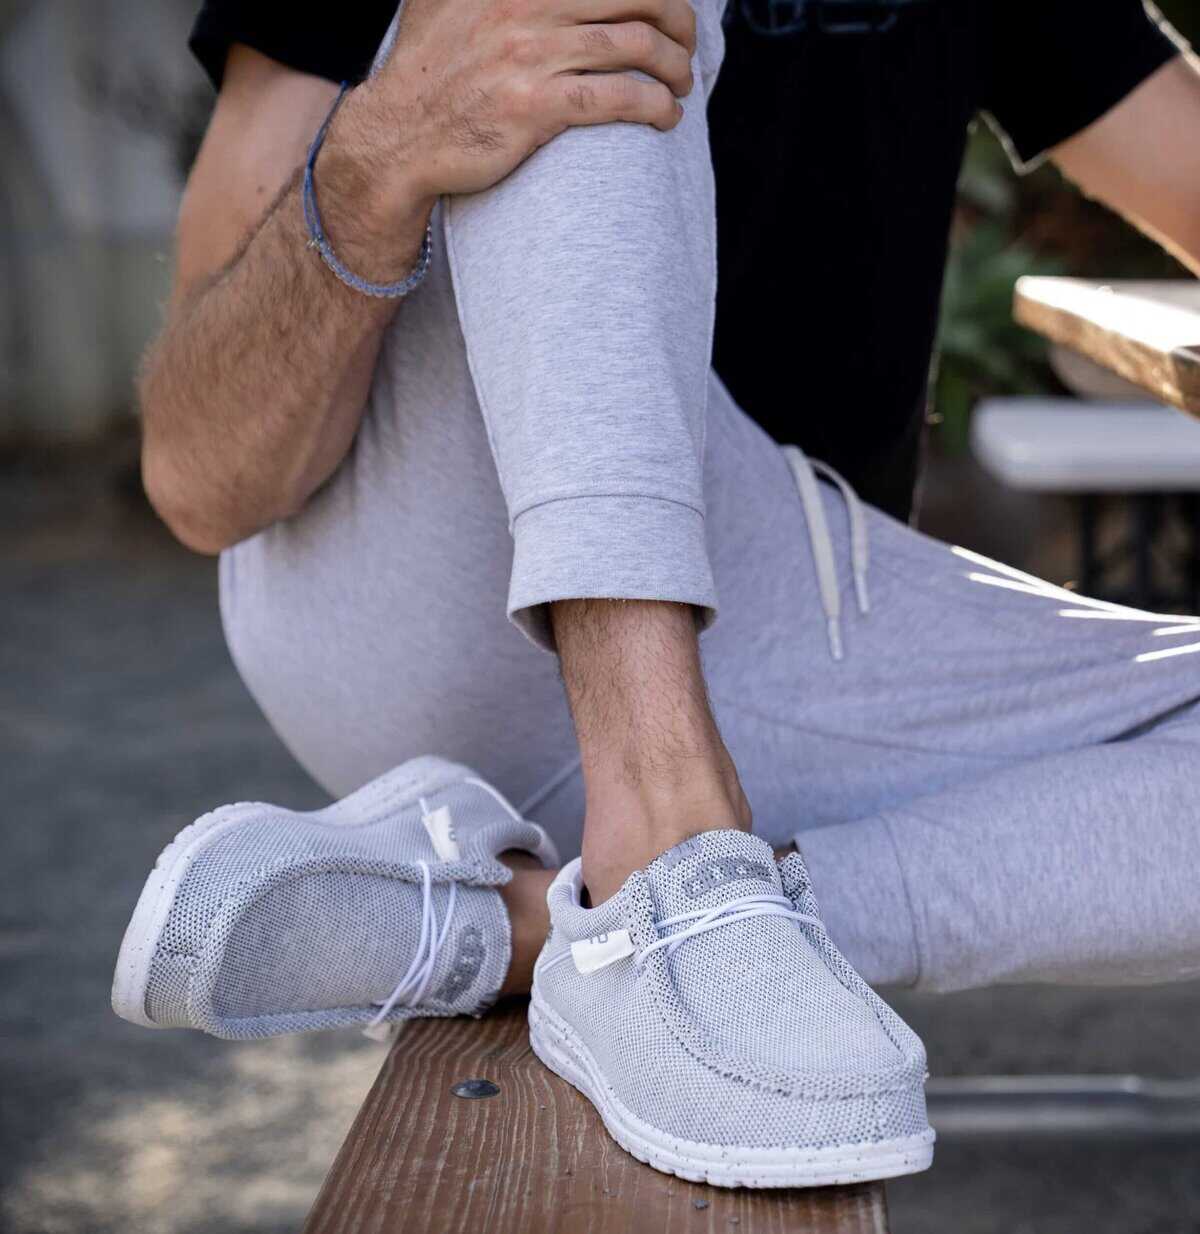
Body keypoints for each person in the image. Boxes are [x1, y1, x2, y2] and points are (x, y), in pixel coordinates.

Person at [112, 0, 1200, 1188]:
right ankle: (661, 839)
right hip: (430, 558)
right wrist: (381, 152)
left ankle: (568, 926)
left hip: (805, 606)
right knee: (582, 25)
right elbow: (198, 477)